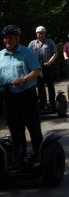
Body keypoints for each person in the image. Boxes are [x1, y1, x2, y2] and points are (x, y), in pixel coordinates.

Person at [0, 25, 43, 165]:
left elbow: (36, 71)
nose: (7, 40)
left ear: (17, 38)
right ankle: (19, 157)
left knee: (33, 126)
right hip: (8, 97)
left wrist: (24, 79)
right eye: (5, 38)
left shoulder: (27, 52)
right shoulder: (0, 55)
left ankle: (38, 155)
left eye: (10, 37)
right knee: (15, 129)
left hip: (26, 95)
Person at [28, 26, 58, 112]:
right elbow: (28, 55)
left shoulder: (49, 42)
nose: (40, 35)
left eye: (42, 33)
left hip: (47, 67)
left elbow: (55, 52)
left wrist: (50, 61)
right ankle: (42, 104)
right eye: (38, 33)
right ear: (36, 34)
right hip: (37, 68)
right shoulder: (32, 43)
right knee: (40, 86)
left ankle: (52, 104)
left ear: (45, 34)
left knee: (50, 85)